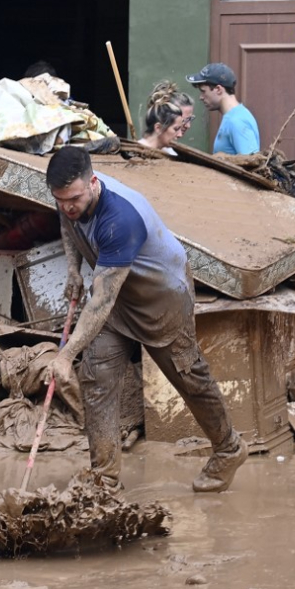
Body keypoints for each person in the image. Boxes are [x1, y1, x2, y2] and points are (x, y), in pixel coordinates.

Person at [44, 146, 248, 493]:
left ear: (93, 183)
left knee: (189, 379)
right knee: (97, 379)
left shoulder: (120, 219)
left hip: (162, 299)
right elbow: (68, 224)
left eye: (73, 198)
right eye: (60, 199)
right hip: (119, 300)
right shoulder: (69, 197)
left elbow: (100, 302)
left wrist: (65, 354)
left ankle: (229, 448)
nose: (67, 206)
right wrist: (72, 269)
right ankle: (104, 479)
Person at [186, 63, 259, 155]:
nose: (201, 97)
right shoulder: (233, 117)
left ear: (218, 89)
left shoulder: (237, 121)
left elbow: (251, 164)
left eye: (203, 91)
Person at [138, 87, 186, 155]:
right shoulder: (137, 153)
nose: (180, 135)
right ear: (158, 128)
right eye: (176, 129)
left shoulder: (171, 154)